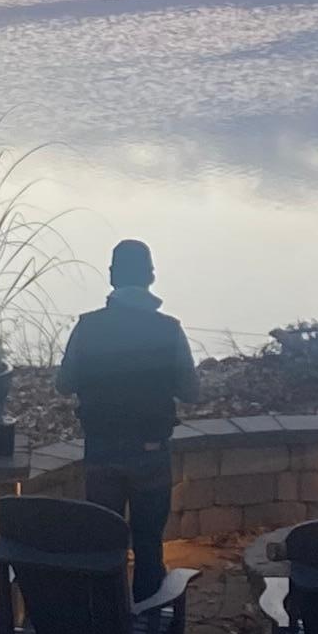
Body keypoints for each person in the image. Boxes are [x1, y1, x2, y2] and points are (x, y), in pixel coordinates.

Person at [59, 239, 198, 599]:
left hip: (101, 452)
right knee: (149, 543)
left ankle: (105, 626)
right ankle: (146, 626)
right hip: (150, 453)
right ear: (151, 278)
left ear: (111, 277)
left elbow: (64, 383)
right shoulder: (170, 330)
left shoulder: (87, 328)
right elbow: (192, 391)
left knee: (104, 542)